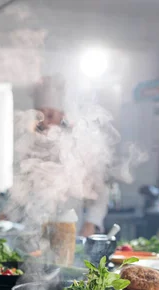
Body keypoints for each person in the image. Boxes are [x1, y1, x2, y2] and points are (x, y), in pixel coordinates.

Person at [32, 75, 109, 237]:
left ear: (63, 115)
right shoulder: (31, 146)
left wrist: (91, 223)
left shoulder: (80, 146)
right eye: (39, 115)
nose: (44, 121)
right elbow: (22, 191)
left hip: (70, 229)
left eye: (50, 115)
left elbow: (100, 193)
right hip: (33, 228)